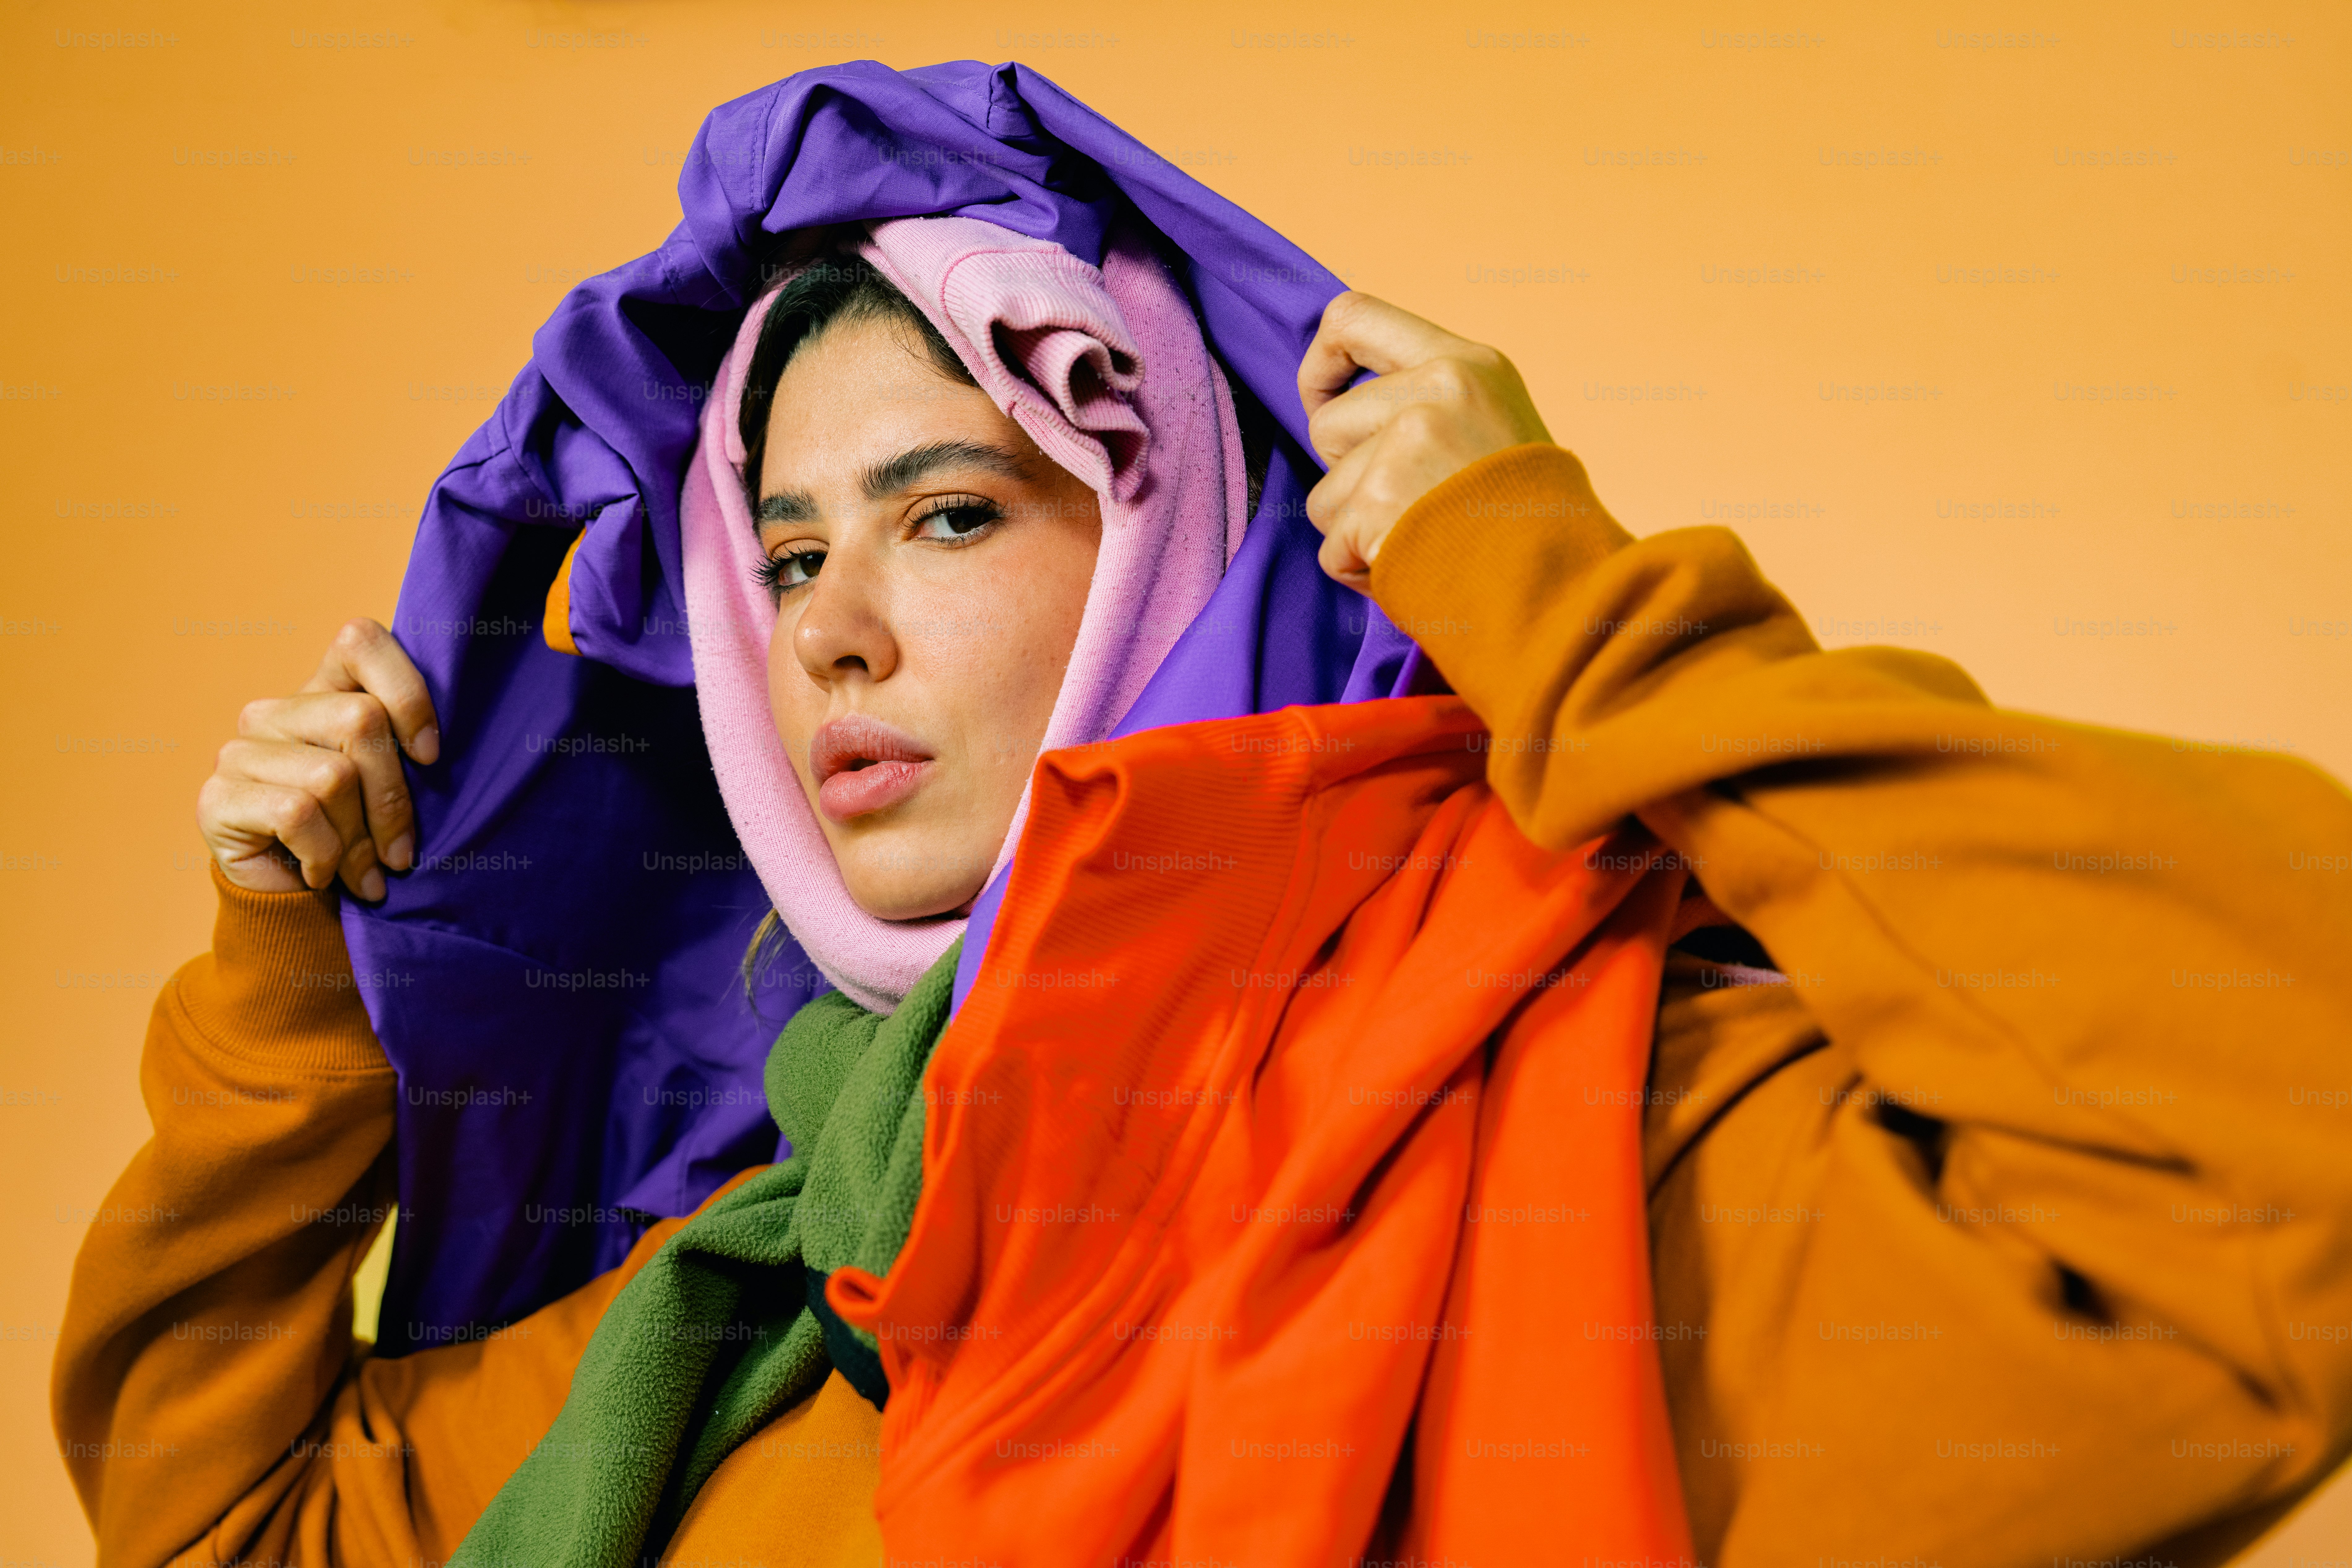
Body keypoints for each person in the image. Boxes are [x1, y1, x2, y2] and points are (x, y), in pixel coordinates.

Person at [55, 165, 2352, 1568]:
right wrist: (281, 987)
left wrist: (1551, 591)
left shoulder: (1581, 1146)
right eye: (778, 557)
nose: (828, 629)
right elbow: (221, 1537)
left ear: (1185, 560)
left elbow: (2295, 1116)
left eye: (949, 514)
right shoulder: (759, 1306)